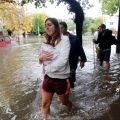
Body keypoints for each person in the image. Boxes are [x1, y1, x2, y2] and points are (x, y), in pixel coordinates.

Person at [39, 18, 72, 119]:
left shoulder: (65, 39)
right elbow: (42, 59)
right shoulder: (47, 41)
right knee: (45, 105)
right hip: (48, 78)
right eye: (45, 25)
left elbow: (63, 60)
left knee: (64, 102)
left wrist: (47, 68)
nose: (47, 27)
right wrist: (40, 58)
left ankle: (72, 111)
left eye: (49, 25)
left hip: (60, 79)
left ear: (56, 26)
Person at [59, 21, 87, 88]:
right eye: (58, 28)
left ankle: (72, 91)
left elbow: (80, 49)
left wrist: (82, 60)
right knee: (62, 80)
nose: (60, 30)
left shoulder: (74, 38)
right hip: (61, 63)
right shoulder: (57, 39)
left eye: (61, 28)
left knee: (70, 79)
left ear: (66, 28)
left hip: (72, 62)